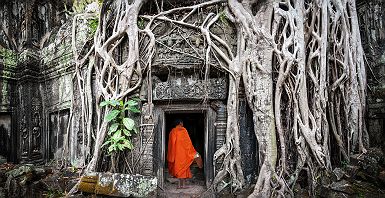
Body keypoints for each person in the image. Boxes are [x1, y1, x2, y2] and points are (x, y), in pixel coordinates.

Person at [167, 119, 202, 189]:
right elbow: (188, 143)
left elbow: (171, 144)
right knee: (184, 169)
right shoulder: (183, 130)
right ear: (180, 123)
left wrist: (172, 154)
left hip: (176, 154)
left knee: (179, 169)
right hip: (183, 154)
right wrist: (192, 152)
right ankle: (182, 185)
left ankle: (180, 185)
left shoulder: (172, 131)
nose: (183, 124)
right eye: (182, 122)